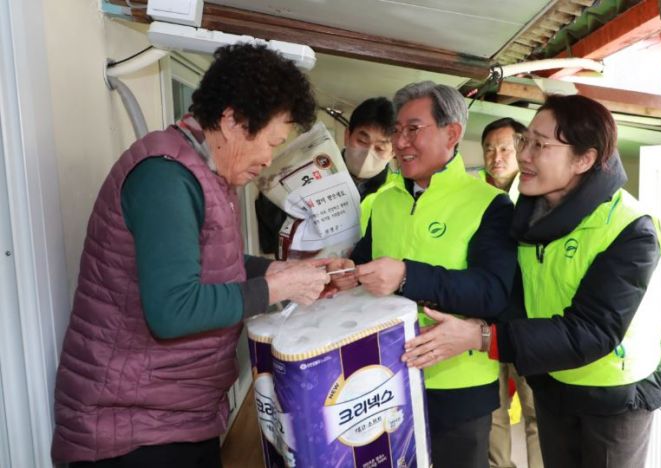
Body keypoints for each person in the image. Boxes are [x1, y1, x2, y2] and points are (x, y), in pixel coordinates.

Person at [51, 44, 332, 467]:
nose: (269, 158)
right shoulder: (165, 177)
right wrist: (275, 287)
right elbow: (172, 310)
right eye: (270, 142)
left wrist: (279, 269)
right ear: (233, 121)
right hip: (130, 432)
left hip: (173, 417)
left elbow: (208, 267)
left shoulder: (206, 175)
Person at [402, 94, 661, 468]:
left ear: (584, 159)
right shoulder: (530, 212)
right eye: (525, 141)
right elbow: (518, 295)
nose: (524, 155)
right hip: (553, 381)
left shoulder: (630, 228)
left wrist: (482, 336)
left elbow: (594, 331)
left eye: (540, 145)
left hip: (613, 392)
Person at [330, 81, 517, 468]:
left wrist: (405, 277)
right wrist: (346, 272)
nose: (400, 142)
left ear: (452, 133)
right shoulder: (384, 202)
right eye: (397, 131)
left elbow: (494, 292)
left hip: (457, 388)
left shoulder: (489, 204)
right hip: (382, 381)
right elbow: (365, 262)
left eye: (413, 129)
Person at [256, 96, 395, 255]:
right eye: (362, 141)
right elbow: (269, 238)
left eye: (380, 149)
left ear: (393, 152)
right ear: (347, 136)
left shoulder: (397, 195)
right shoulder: (308, 169)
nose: (368, 153)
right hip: (302, 272)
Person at [480, 118, 543, 468]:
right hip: (487, 323)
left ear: (522, 149)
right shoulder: (476, 199)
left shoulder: (539, 198)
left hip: (530, 323)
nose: (496, 157)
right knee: (493, 412)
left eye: (505, 148)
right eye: (489, 149)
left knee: (537, 412)